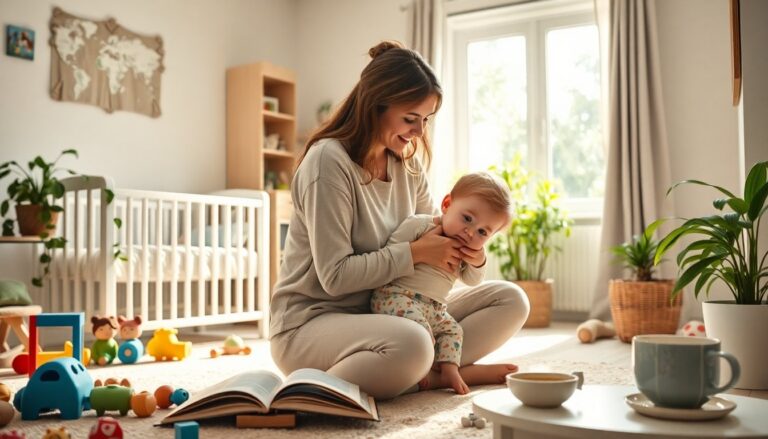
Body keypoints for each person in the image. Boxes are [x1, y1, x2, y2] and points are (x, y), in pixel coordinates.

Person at [269, 40, 530, 399]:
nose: (419, 132)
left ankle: (420, 372)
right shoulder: (328, 162)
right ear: (375, 105)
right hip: (313, 323)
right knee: (414, 344)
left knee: (511, 299)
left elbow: (435, 247)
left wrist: (467, 252)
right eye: (411, 119)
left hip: (396, 309)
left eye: (425, 120)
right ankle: (431, 374)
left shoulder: (407, 164)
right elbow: (335, 277)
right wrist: (416, 253)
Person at [370, 172, 512, 395]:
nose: (470, 232)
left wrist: (478, 260)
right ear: (447, 204)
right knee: (421, 334)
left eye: (483, 232)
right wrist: (419, 250)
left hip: (434, 308)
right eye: (467, 219)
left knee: (453, 331)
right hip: (396, 297)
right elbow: (390, 253)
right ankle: (425, 369)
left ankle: (449, 370)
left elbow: (472, 280)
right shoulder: (420, 225)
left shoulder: (468, 251)